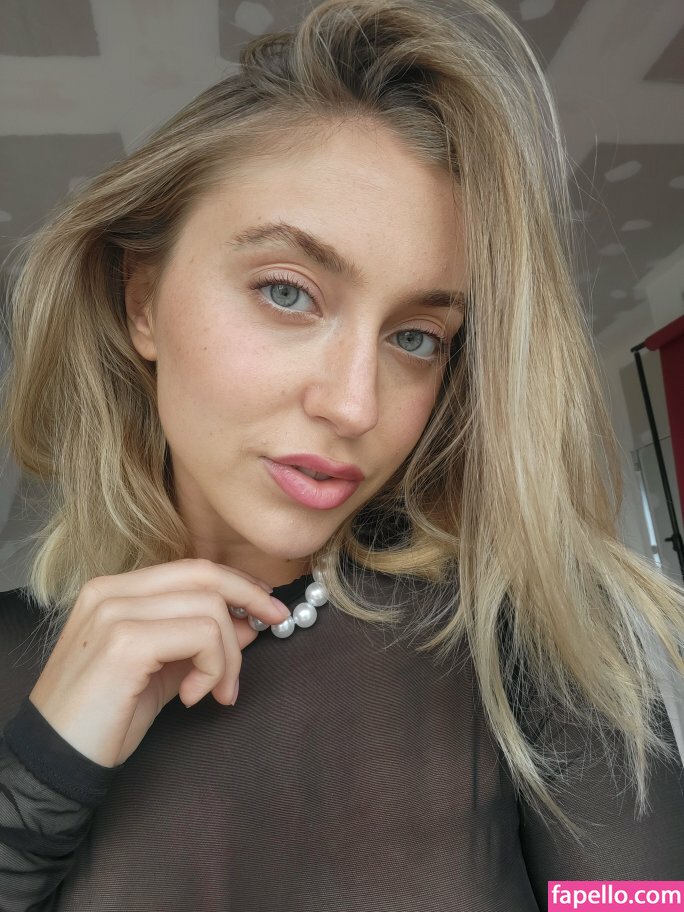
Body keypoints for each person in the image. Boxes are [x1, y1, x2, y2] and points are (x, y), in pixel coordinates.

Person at [0, 0, 683, 908]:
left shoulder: (530, 634)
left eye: (416, 338)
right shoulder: (13, 658)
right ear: (142, 300)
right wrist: (42, 771)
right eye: (288, 292)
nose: (356, 405)